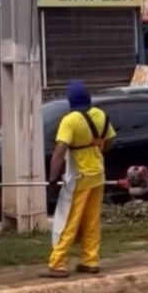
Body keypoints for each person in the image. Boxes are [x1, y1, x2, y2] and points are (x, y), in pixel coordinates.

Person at [45, 80, 115, 278]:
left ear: (70, 101)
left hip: (79, 177)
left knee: (69, 220)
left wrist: (52, 179)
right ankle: (90, 261)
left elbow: (59, 152)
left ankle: (57, 262)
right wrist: (96, 146)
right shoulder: (101, 115)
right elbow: (109, 143)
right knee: (92, 221)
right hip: (98, 175)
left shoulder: (70, 120)